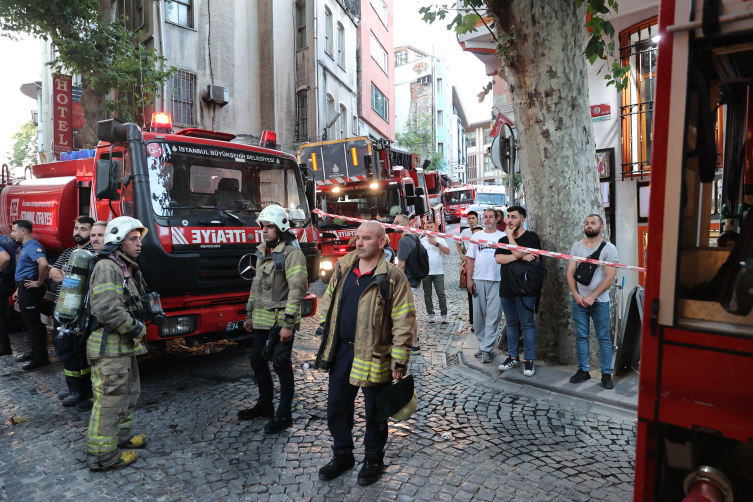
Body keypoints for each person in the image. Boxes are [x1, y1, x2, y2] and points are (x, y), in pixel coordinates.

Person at [315, 221, 414, 486]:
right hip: (342, 353)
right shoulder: (344, 267)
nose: (358, 243)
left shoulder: (393, 277)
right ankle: (343, 454)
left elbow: (404, 320)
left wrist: (400, 359)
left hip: (375, 355)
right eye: (357, 238)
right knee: (337, 407)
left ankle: (373, 458)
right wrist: (325, 328)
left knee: (375, 411)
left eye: (366, 238)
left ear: (382, 243)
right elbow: (329, 300)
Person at [86, 216, 152, 471]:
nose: (139, 244)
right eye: (133, 239)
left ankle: (121, 438)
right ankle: (102, 457)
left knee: (128, 394)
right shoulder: (107, 267)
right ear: (118, 241)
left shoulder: (124, 265)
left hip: (123, 347)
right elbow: (107, 310)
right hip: (109, 348)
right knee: (110, 401)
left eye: (139, 239)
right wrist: (137, 328)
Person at [238, 205, 308, 434]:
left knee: (281, 365)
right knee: (257, 361)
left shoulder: (291, 253)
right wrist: (248, 314)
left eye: (270, 227)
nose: (265, 231)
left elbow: (297, 290)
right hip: (260, 319)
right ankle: (265, 405)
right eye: (263, 226)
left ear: (281, 228)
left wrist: (288, 325)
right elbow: (254, 287)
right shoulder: (262, 251)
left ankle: (284, 413)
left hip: (280, 322)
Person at [567, 214, 619, 390]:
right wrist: (576, 294)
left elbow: (610, 277)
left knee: (603, 337)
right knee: (581, 336)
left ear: (601, 227)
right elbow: (570, 272)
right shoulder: (576, 247)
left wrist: (592, 296)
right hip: (578, 300)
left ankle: (606, 374)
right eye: (586, 223)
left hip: (600, 302)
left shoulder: (609, 249)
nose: (589, 225)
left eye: (593, 223)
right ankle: (583, 370)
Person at [50, 216, 95, 407]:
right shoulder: (69, 251)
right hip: (61, 307)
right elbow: (53, 273)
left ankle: (85, 390)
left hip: (80, 311)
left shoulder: (92, 253)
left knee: (80, 351)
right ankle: (74, 388)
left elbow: (73, 279)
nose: (78, 232)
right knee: (64, 349)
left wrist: (66, 275)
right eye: (76, 228)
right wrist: (70, 276)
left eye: (83, 229)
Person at [494, 206, 542, 377]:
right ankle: (513, 357)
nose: (510, 220)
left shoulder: (531, 237)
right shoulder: (501, 238)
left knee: (527, 324)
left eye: (514, 217)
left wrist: (512, 242)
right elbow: (499, 258)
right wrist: (520, 255)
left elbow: (516, 251)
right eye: (508, 217)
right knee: (512, 324)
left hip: (525, 288)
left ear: (522, 220)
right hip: (506, 286)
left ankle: (529, 360)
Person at [75, 220, 109, 412]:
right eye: (94, 235)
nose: (95, 239)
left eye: (100, 235)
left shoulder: (109, 261)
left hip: (101, 322)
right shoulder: (92, 258)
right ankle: (92, 395)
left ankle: (101, 401)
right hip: (88, 318)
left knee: (103, 363)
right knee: (90, 360)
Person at [465, 208, 505, 363]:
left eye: (491, 217)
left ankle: (488, 349)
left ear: (497, 219)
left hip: (497, 280)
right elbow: (470, 258)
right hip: (478, 279)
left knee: (493, 315)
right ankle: (483, 345)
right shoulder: (477, 236)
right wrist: (470, 279)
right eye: (486, 217)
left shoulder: (502, 237)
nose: (488, 219)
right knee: (479, 316)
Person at [11, 220, 50, 370]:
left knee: (34, 324)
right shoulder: (25, 247)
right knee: (29, 323)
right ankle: (34, 351)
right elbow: (23, 270)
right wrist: (18, 290)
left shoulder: (33, 246)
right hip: (24, 289)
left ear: (23, 231)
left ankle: (41, 357)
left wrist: (39, 283)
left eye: (14, 231)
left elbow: (44, 264)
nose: (12, 234)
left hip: (31, 290)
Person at [394, 214, 421, 351]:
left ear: (405, 225)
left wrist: (396, 283)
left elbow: (401, 266)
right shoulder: (414, 237)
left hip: (408, 282)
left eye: (396, 222)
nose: (393, 224)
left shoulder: (404, 241)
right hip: (414, 280)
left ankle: (414, 343)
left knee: (409, 313)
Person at [419, 221, 450, 323]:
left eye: (431, 227)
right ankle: (431, 314)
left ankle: (444, 315)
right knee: (427, 294)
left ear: (435, 228)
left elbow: (447, 251)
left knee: (441, 293)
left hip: (438, 271)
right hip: (426, 272)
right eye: (427, 227)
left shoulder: (440, 239)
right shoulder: (422, 240)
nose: (429, 229)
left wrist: (436, 244)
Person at [456, 211, 479, 330]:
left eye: (473, 218)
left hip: (480, 266)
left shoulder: (482, 231)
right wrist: (461, 255)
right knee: (471, 293)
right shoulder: (464, 232)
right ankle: (473, 321)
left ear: (477, 219)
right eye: (469, 218)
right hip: (468, 265)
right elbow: (458, 244)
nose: (471, 220)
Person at [0, 231, 19, 356]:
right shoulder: (5, 238)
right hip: (9, 279)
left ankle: (4, 346)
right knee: (2, 312)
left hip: (2, 279)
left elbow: (5, 258)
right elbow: (18, 250)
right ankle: (4, 345)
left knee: (1, 315)